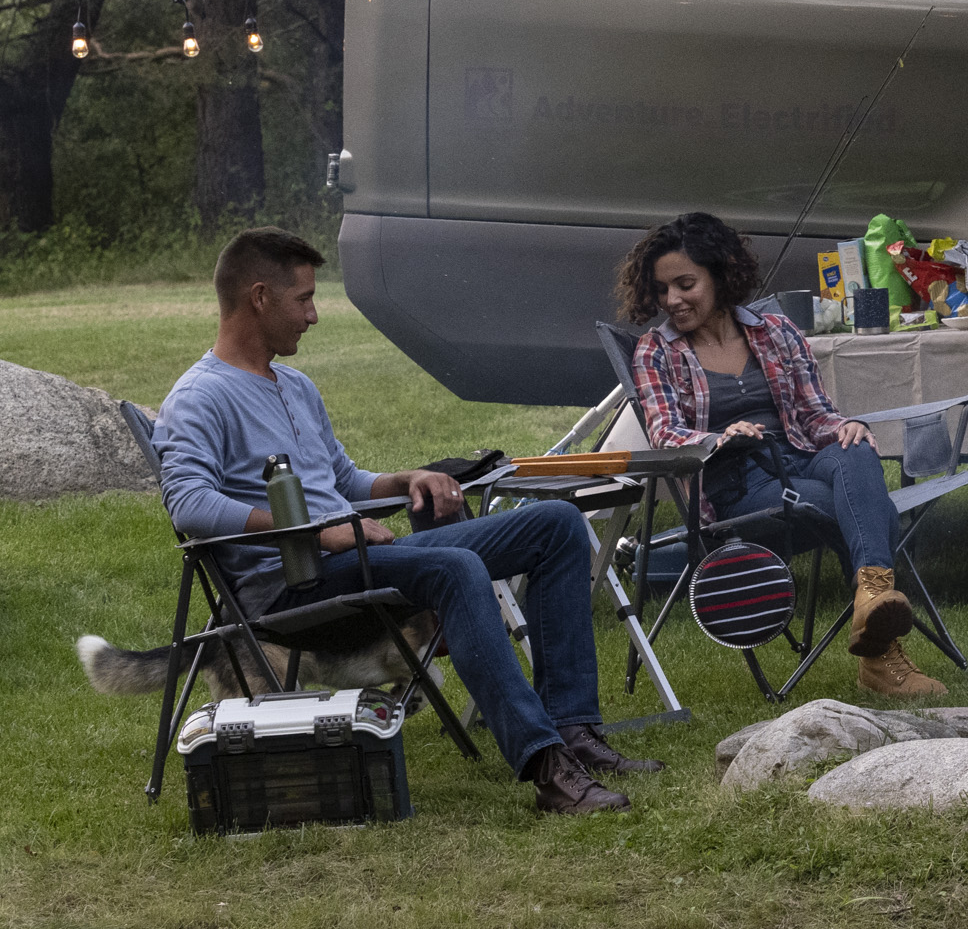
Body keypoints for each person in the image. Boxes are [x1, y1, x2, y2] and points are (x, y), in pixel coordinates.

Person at [157, 226, 640, 815]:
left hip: (353, 559)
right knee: (456, 567)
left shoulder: (295, 385)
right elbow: (188, 503)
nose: (313, 316)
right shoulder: (200, 396)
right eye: (304, 299)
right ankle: (545, 765)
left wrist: (405, 481)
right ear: (259, 297)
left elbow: (343, 481)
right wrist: (319, 532)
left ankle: (573, 729)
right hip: (290, 590)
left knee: (558, 524)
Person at [616, 211, 946, 700]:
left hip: (796, 458)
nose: (673, 300)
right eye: (663, 289)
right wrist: (721, 436)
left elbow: (816, 417)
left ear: (721, 275)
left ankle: (872, 596)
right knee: (859, 508)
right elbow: (665, 435)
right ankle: (882, 657)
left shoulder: (775, 331)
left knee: (854, 450)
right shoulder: (657, 352)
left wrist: (845, 425)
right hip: (738, 488)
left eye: (686, 284)